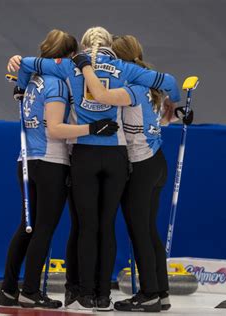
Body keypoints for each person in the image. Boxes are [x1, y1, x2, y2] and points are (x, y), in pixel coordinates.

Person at [7, 26, 181, 311]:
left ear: (84, 46)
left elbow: (26, 64)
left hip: (84, 154)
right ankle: (104, 295)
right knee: (107, 226)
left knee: (85, 226)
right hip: (117, 156)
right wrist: (173, 106)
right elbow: (169, 81)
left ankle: (84, 294)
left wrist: (21, 86)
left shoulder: (67, 66)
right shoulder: (125, 68)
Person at [0, 29, 118, 309]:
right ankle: (30, 290)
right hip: (50, 161)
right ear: (66, 56)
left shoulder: (33, 81)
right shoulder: (56, 84)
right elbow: (55, 128)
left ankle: (8, 289)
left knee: (27, 228)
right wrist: (93, 128)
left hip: (27, 159)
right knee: (43, 229)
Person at [77, 35, 193, 312]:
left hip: (141, 165)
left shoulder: (131, 87)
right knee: (149, 231)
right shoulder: (152, 86)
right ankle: (161, 292)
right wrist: (178, 111)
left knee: (139, 231)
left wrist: (85, 66)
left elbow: (102, 96)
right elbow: (161, 117)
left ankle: (149, 293)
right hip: (156, 163)